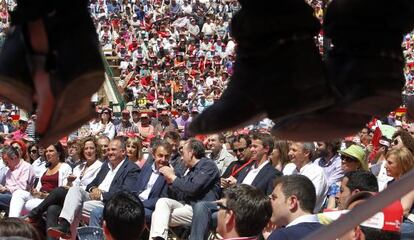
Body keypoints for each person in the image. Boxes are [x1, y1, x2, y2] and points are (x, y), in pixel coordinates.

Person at [47, 137, 140, 239]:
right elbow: (91, 184)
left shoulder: (132, 168)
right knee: (75, 190)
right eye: (108, 150)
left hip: (110, 203)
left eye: (113, 149)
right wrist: (93, 190)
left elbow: (125, 194)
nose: (109, 152)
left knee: (74, 207)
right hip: (93, 198)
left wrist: (101, 195)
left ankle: (66, 231)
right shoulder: (106, 165)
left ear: (123, 152)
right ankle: (64, 226)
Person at [25, 136, 103, 239]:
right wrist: (69, 182)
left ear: (96, 150)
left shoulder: (101, 166)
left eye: (91, 148)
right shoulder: (78, 167)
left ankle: (34, 214)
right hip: (72, 197)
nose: (88, 151)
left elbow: (96, 187)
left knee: (59, 190)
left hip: (87, 197)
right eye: (86, 148)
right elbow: (71, 187)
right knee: (52, 208)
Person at [149, 139, 220, 240]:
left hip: (201, 210)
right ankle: (159, 238)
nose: (181, 158)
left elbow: (193, 188)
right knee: (162, 203)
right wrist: (170, 181)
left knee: (157, 216)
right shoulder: (190, 170)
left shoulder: (208, 165)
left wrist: (173, 177)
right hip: (187, 206)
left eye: (183, 154)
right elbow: (181, 194)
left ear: (191, 153)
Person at [89, 140, 172, 226]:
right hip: (131, 203)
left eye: (166, 156)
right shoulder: (147, 168)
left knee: (105, 214)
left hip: (147, 209)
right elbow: (134, 189)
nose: (163, 159)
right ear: (154, 155)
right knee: (97, 212)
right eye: (160, 156)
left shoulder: (171, 174)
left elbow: (161, 199)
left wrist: (137, 204)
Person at [9, 142, 72, 217]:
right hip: (39, 198)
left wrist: (43, 195)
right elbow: (39, 189)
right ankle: (13, 220)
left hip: (51, 200)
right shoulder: (45, 169)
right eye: (46, 151)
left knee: (23, 205)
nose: (48, 153)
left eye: (51, 151)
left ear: (58, 153)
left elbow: (62, 192)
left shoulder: (65, 167)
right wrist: (35, 192)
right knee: (18, 193)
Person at [267, 175, 322, 240]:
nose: (269, 202)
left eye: (274, 198)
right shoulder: (332, 233)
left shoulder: (282, 236)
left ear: (292, 202)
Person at [284, 142, 328, 212]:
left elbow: (310, 200)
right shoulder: (288, 168)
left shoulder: (317, 172)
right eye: (290, 150)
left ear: (306, 153)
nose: (289, 153)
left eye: (294, 150)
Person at [384, 147, 414, 239]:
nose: (385, 166)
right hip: (392, 221)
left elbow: (404, 210)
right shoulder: (388, 184)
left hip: (408, 223)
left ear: (402, 165)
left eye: (390, 163)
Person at [0, 146, 34, 213]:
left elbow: (22, 188)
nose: (6, 165)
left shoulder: (26, 167)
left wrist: (6, 189)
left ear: (15, 157)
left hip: (20, 198)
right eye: (4, 163)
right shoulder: (8, 170)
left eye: (7, 162)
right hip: (7, 195)